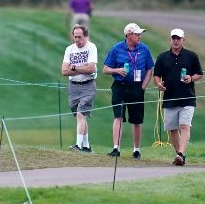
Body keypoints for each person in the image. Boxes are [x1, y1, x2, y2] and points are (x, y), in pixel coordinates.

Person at [102, 23, 154, 158]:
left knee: (137, 120)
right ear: (129, 35)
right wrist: (117, 70)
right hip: (120, 86)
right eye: (137, 34)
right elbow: (105, 69)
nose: (140, 36)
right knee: (118, 116)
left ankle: (136, 150)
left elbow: (149, 69)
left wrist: (143, 86)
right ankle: (116, 148)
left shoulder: (144, 49)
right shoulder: (117, 49)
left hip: (137, 87)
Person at [153, 28, 203, 166]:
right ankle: (179, 155)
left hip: (187, 97)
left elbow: (199, 74)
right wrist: (158, 84)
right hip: (169, 98)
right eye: (173, 38)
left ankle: (180, 153)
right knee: (172, 128)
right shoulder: (163, 57)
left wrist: (191, 78)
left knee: (185, 126)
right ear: (170, 40)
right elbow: (156, 75)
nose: (176, 41)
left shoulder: (192, 56)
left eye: (178, 38)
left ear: (183, 40)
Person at [62, 24, 97, 153]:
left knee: (81, 114)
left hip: (88, 86)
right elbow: (64, 71)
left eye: (80, 37)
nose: (77, 40)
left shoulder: (91, 47)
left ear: (86, 36)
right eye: (75, 37)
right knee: (80, 116)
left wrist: (74, 68)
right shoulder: (69, 49)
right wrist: (82, 70)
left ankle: (78, 145)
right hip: (73, 87)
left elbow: (91, 69)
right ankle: (87, 146)